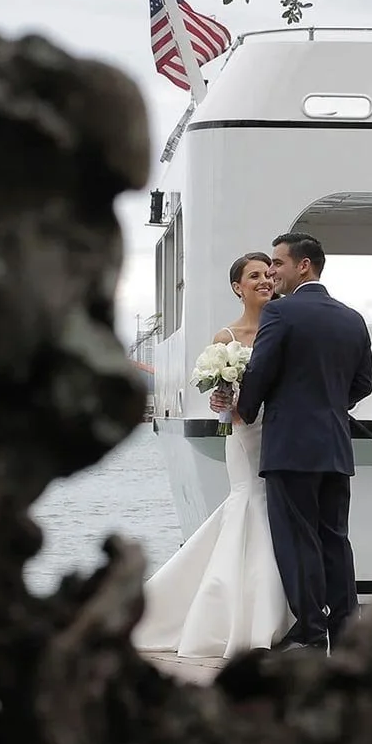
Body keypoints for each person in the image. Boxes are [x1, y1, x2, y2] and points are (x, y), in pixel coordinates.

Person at [215, 232, 372, 650]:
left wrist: (243, 410)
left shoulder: (281, 315)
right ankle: (346, 629)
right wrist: (330, 407)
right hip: (336, 446)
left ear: (303, 265)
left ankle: (309, 627)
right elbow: (364, 383)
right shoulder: (352, 317)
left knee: (298, 538)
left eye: (278, 263)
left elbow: (262, 371)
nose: (272, 271)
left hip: (289, 446)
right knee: (335, 539)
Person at [132, 252, 295, 658]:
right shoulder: (226, 338)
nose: (264, 280)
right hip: (244, 433)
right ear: (238, 287)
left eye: (267, 273)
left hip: (282, 432)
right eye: (253, 276)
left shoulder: (288, 325)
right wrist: (222, 401)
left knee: (277, 510)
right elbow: (219, 401)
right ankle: (242, 616)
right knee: (249, 503)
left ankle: (274, 612)